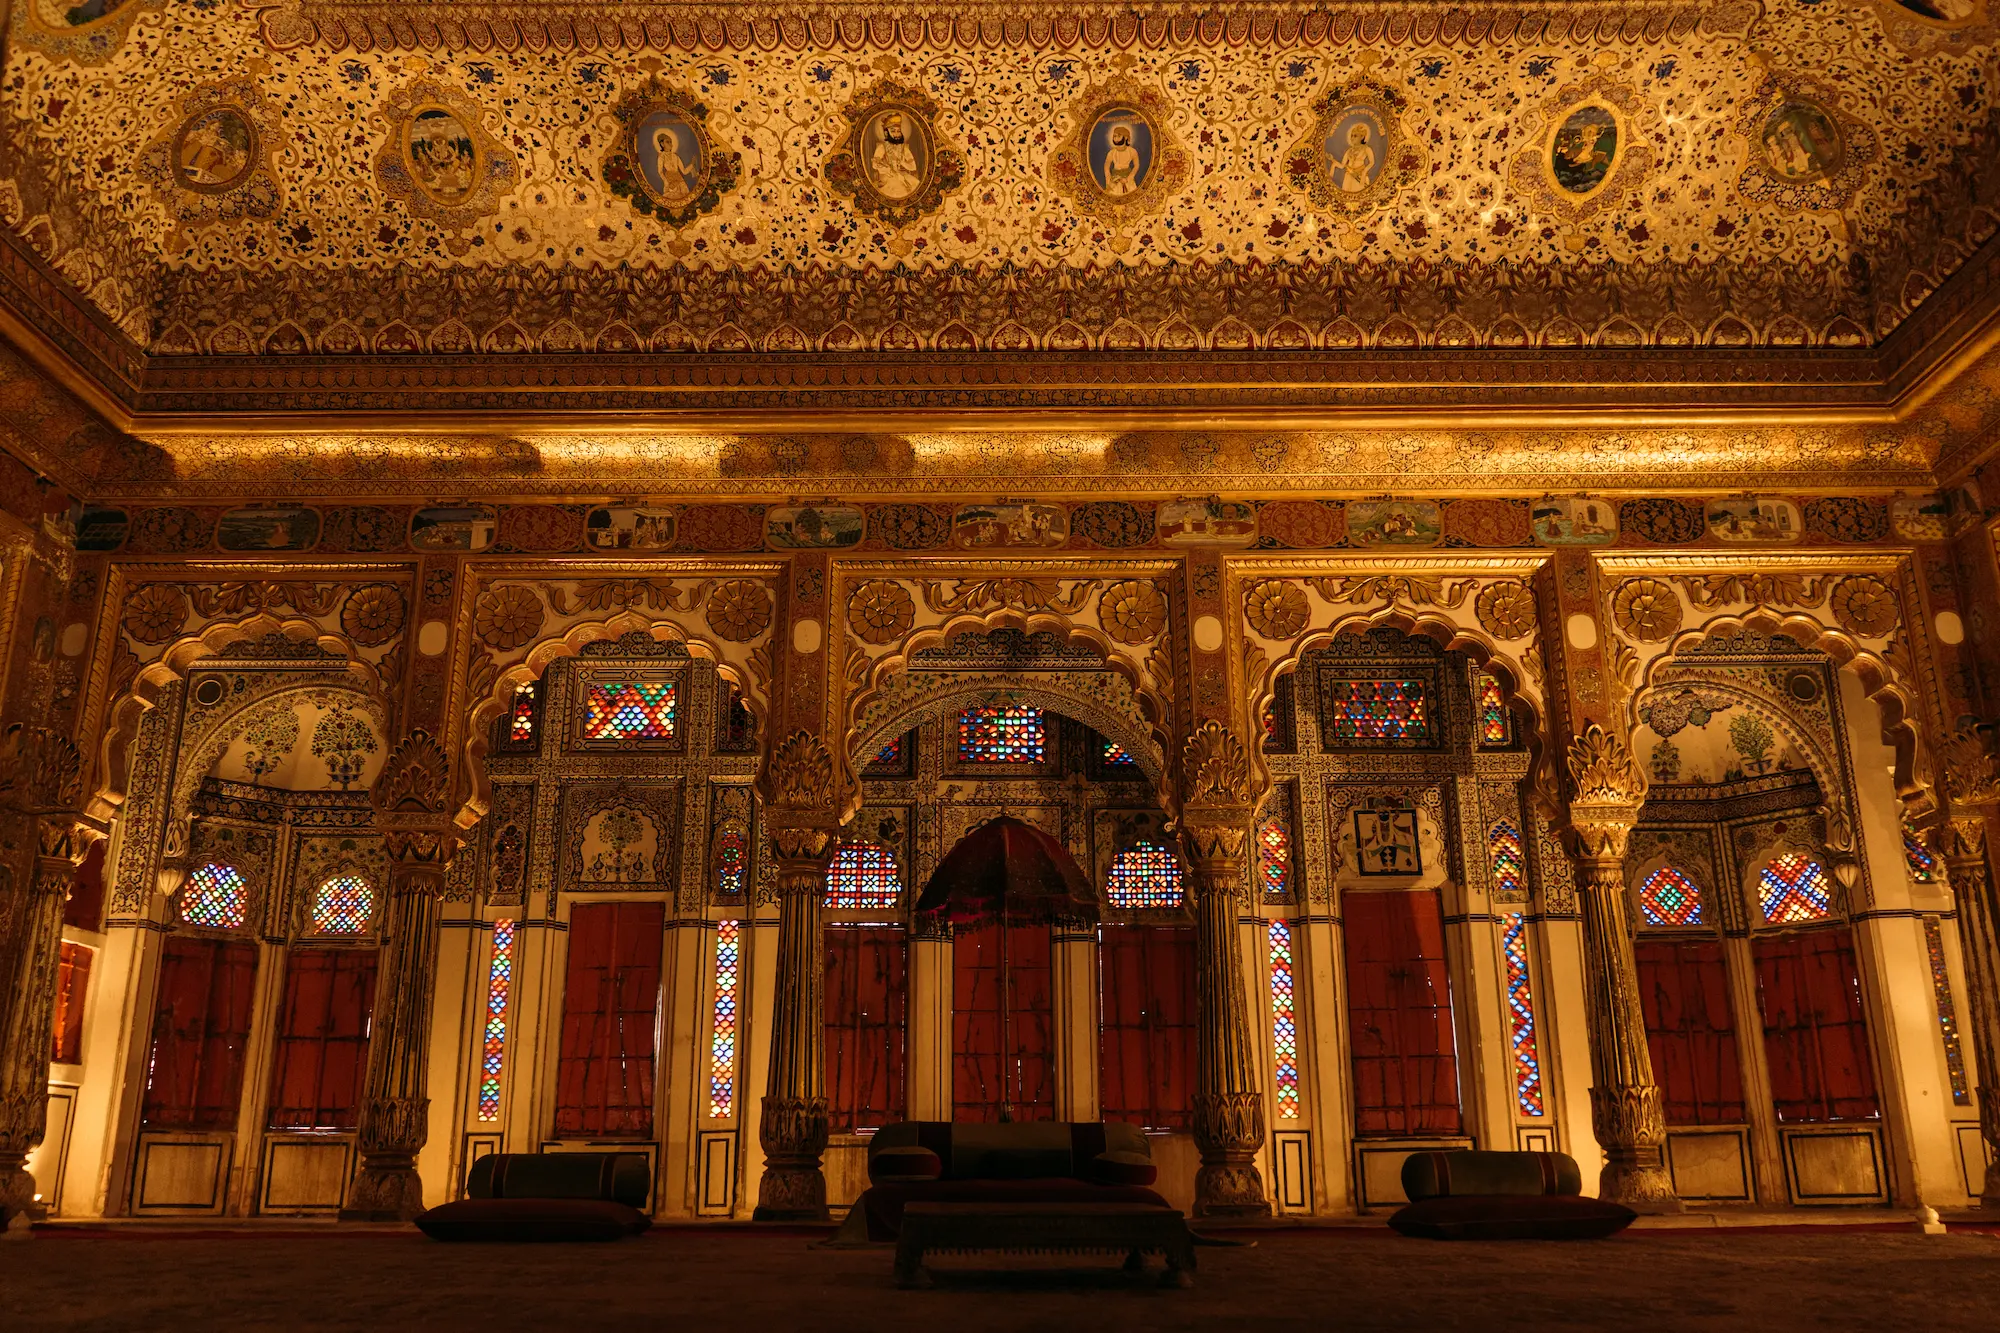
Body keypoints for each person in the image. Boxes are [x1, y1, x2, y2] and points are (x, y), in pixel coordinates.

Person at [869, 111, 922, 199]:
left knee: (914, 186)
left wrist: (901, 161)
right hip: (887, 177)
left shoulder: (904, 148)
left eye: (898, 131)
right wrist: (888, 170)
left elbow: (913, 167)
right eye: (893, 131)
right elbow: (875, 165)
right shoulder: (882, 147)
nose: (896, 134)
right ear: (886, 133)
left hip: (902, 175)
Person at [651, 124, 694, 205]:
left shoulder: (675, 156)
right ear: (662, 144)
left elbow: (684, 171)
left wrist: (692, 164)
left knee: (685, 199)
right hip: (669, 180)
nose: (670, 144)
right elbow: (660, 171)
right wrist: (666, 181)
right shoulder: (661, 156)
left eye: (670, 142)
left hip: (680, 180)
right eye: (667, 142)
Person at [1332, 121, 1376, 194]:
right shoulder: (1349, 150)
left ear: (1362, 137)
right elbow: (1342, 165)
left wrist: (1364, 172)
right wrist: (1334, 163)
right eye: (1351, 135)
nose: (1352, 138)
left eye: (1355, 136)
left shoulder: (1366, 149)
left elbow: (1372, 162)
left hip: (1360, 176)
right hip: (1348, 176)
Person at [1101, 122, 1142, 196]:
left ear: (1126, 137)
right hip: (1114, 180)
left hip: (1128, 180)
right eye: (1114, 136)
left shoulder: (1132, 151)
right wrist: (1108, 180)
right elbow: (1106, 167)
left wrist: (1129, 178)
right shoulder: (1111, 152)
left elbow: (1136, 165)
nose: (1116, 138)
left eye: (1118, 136)